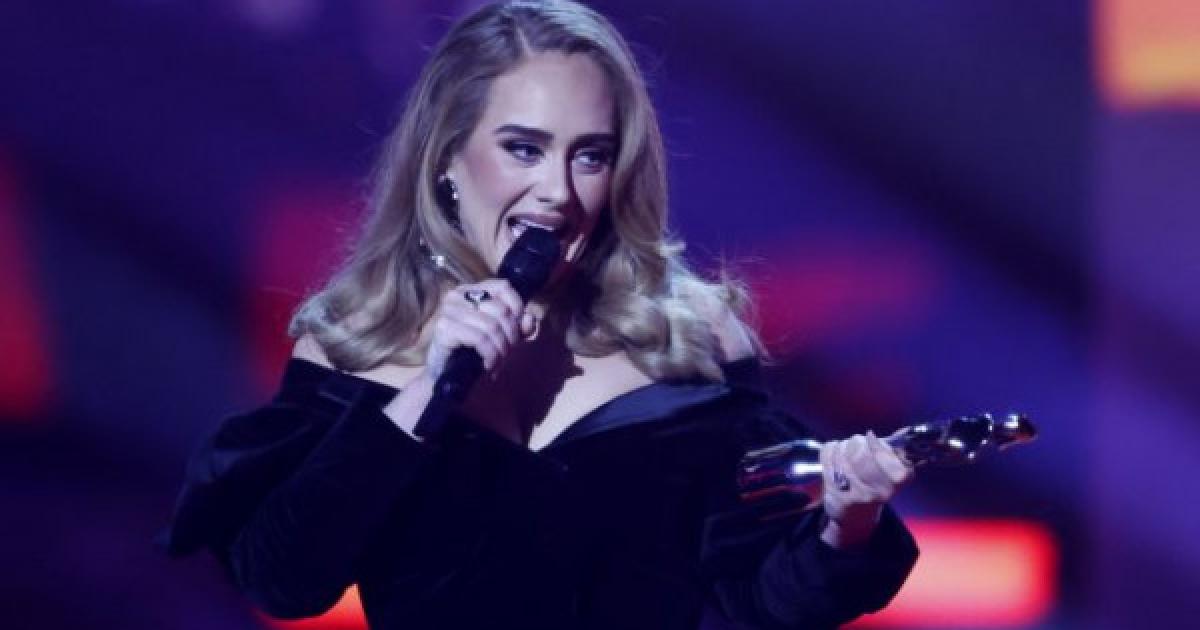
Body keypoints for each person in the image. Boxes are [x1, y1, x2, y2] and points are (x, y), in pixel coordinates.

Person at [160, 1, 918, 628]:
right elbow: (285, 581)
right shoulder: (355, 346)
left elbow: (759, 598)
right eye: (524, 149)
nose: (558, 191)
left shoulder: (692, 342)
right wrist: (424, 391)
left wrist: (844, 522)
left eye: (590, 155)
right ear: (446, 158)